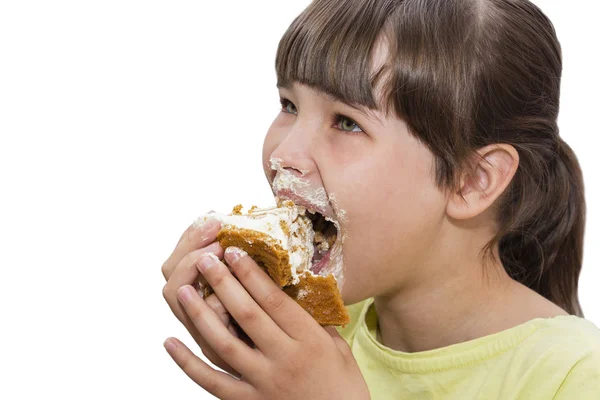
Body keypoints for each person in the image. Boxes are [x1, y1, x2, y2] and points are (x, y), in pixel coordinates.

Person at [161, 0, 600, 398]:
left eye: (347, 122)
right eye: (289, 104)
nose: (283, 156)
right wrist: (245, 343)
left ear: (472, 181)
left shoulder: (575, 376)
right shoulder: (318, 333)